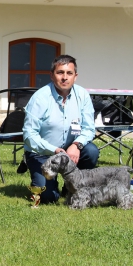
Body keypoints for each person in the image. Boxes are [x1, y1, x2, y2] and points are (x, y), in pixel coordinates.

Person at [21, 54, 99, 204]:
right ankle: (43, 183)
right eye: (60, 72)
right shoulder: (40, 98)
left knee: (91, 152)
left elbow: (89, 129)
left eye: (69, 73)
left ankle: (73, 187)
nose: (65, 77)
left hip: (71, 151)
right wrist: (55, 150)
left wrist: (77, 145)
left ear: (75, 76)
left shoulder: (82, 95)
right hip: (43, 153)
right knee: (48, 198)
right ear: (51, 75)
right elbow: (29, 135)